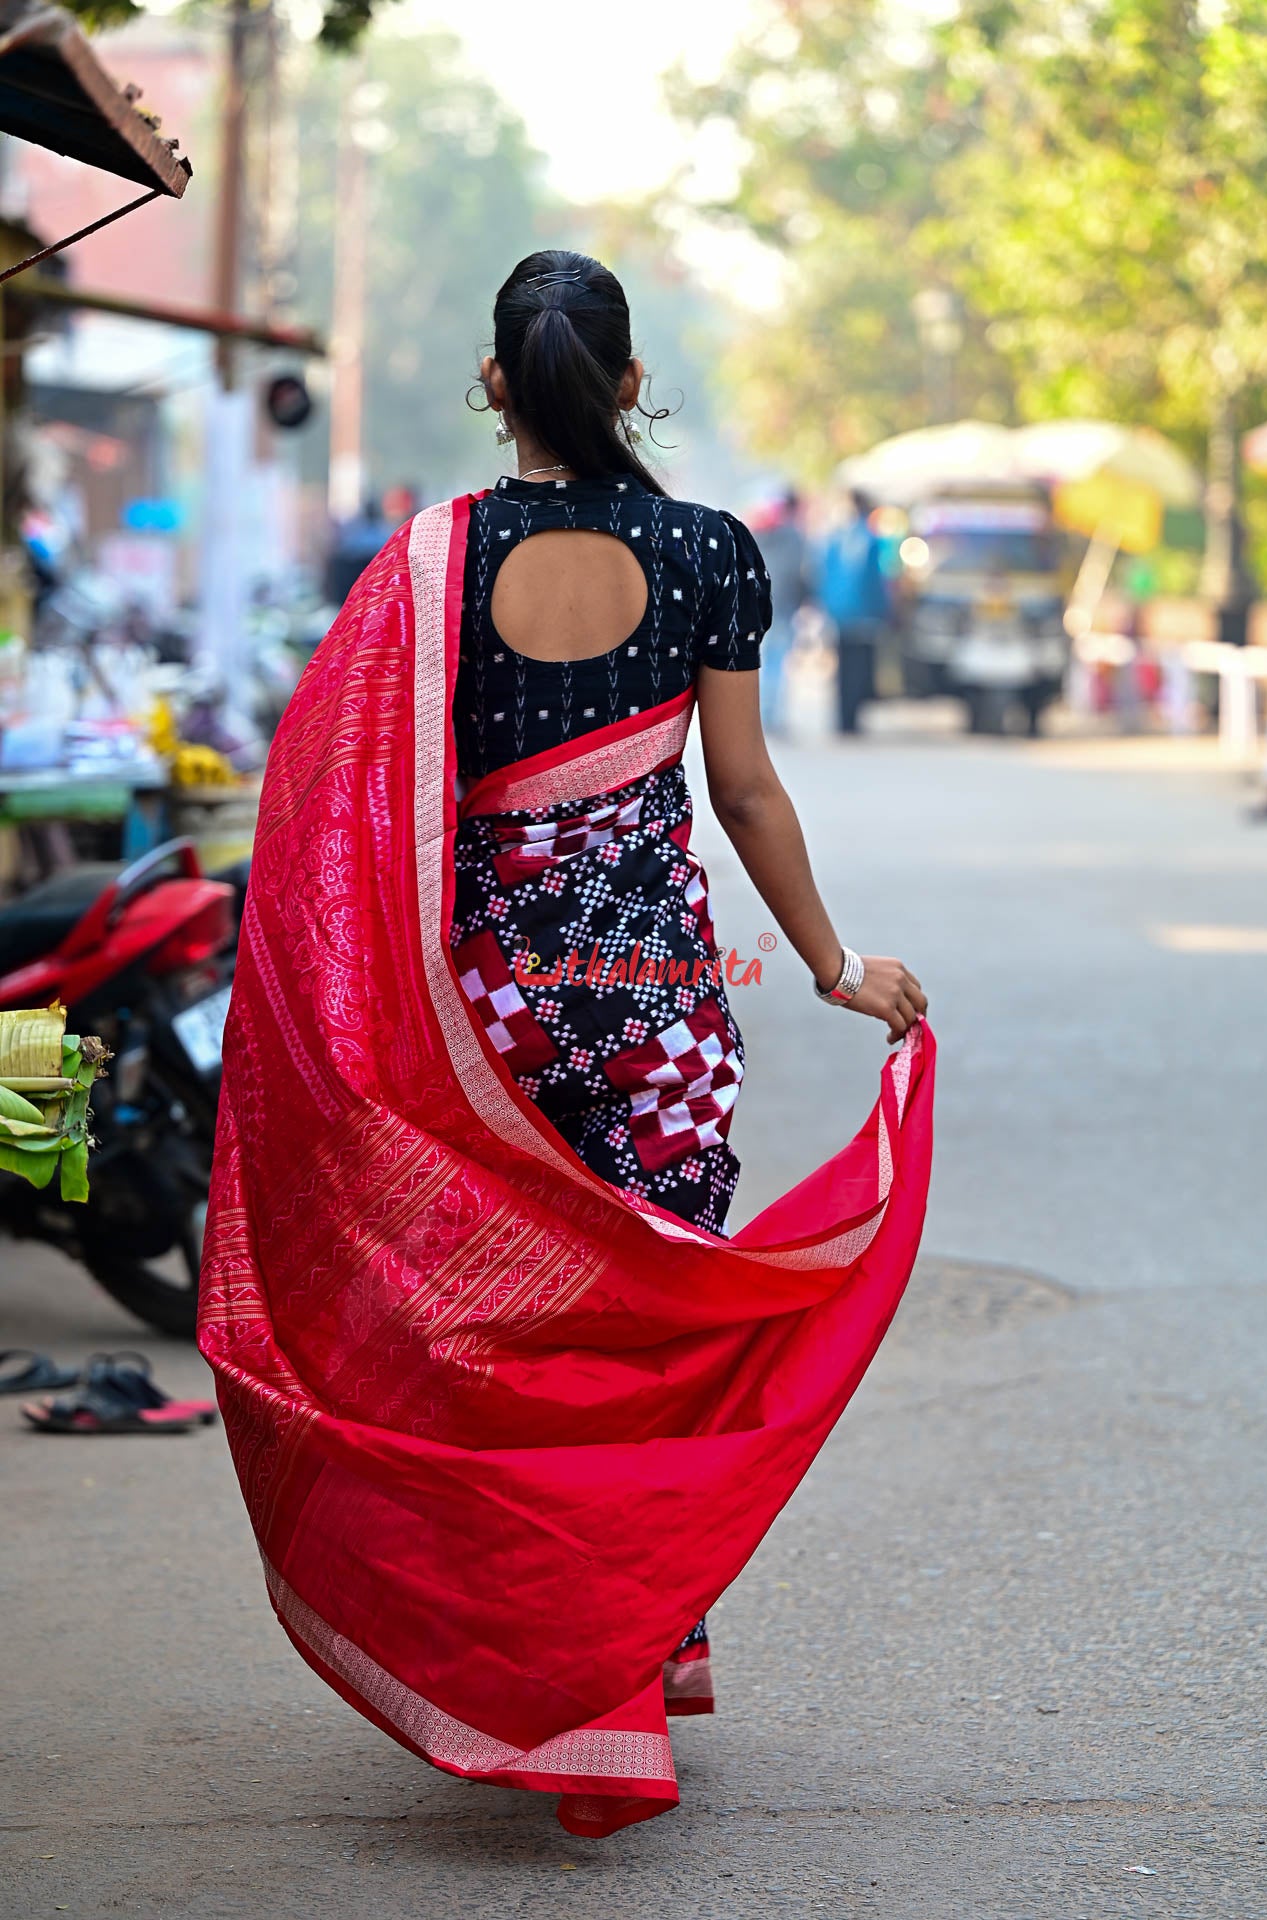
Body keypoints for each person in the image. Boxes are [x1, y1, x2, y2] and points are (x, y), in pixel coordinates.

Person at [200, 249, 933, 1841]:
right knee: (646, 1327)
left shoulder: (426, 563)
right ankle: (632, 1649)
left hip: (483, 1015)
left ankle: (513, 1658)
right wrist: (832, 966)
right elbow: (743, 793)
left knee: (499, 1330)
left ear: (493, 386)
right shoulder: (709, 550)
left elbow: (331, 795)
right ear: (628, 384)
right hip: (652, 1008)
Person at [819, 487, 890, 733]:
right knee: (860, 668)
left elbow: (824, 575)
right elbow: (876, 580)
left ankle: (843, 718)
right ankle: (853, 718)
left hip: (839, 612)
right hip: (864, 613)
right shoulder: (871, 538)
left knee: (844, 666)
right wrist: (884, 610)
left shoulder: (837, 537)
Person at [752, 489, 809, 733]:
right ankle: (770, 716)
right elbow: (798, 572)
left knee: (762, 664)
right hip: (782, 608)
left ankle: (763, 715)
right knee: (775, 665)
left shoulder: (756, 534)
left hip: (759, 608)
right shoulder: (793, 537)